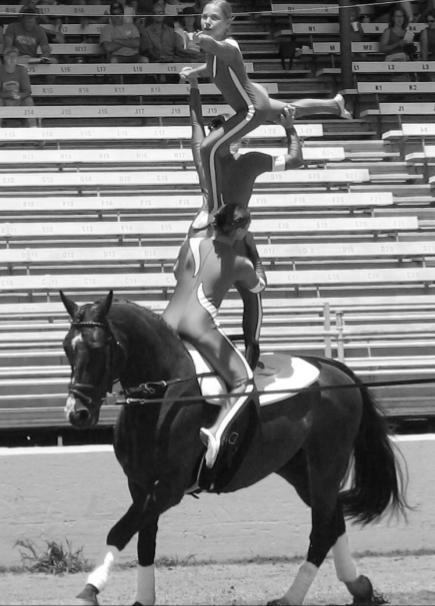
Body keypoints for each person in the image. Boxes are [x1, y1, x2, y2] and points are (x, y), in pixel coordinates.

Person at [179, 0, 351, 220]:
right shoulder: (214, 52)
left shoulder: (228, 46)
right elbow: (212, 68)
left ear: (228, 22)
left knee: (206, 148)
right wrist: (195, 73)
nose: (207, 21)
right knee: (289, 110)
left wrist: (195, 37)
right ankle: (335, 105)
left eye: (214, 17)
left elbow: (214, 47)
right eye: (204, 16)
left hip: (250, 107)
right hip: (252, 95)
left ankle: (212, 209)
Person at [188, 77, 302, 368]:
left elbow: (196, 126)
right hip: (237, 236)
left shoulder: (206, 156)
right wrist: (289, 127)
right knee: (254, 295)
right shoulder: (249, 161)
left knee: (200, 297)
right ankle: (251, 354)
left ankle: (199, 354)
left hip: (206, 232)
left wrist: (193, 88)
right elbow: (295, 159)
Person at [163, 203, 266, 468]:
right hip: (199, 326)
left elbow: (176, 271)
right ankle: (217, 432)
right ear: (241, 231)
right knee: (245, 380)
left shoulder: (193, 244)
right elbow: (259, 286)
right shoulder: (239, 262)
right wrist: (254, 252)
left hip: (167, 322)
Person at [0, 46, 37, 127]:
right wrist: (9, 94)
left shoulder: (22, 70)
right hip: (4, 100)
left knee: (29, 100)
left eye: (15, 56)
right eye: (10, 56)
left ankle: (34, 128)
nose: (12, 59)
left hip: (19, 100)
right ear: (5, 58)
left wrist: (19, 95)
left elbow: (27, 91)